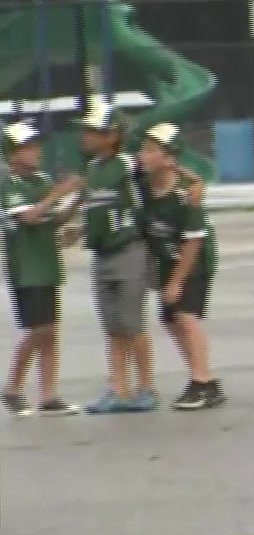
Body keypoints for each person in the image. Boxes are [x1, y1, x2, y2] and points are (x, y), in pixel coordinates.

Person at [76, 100, 159, 414]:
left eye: (92, 130)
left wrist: (194, 184)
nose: (84, 136)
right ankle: (118, 389)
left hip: (128, 251)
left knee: (132, 323)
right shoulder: (93, 169)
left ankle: (147, 387)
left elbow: (164, 167)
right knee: (112, 326)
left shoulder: (127, 164)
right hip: (101, 254)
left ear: (111, 135)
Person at [136, 123, 226, 410]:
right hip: (165, 260)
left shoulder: (186, 194)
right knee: (170, 320)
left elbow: (193, 243)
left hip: (194, 261)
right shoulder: (142, 182)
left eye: (151, 151)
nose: (143, 155)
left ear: (169, 158)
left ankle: (202, 382)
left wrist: (176, 281)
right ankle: (205, 379)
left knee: (186, 316)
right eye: (143, 149)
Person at [1, 122, 81, 417]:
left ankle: (48, 394)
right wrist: (59, 193)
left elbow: (54, 219)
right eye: (28, 147)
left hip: (48, 264)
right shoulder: (9, 183)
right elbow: (30, 216)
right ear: (12, 153)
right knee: (38, 329)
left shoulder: (41, 180)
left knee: (51, 331)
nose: (36, 152)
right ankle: (13, 387)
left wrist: (76, 201)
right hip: (27, 267)